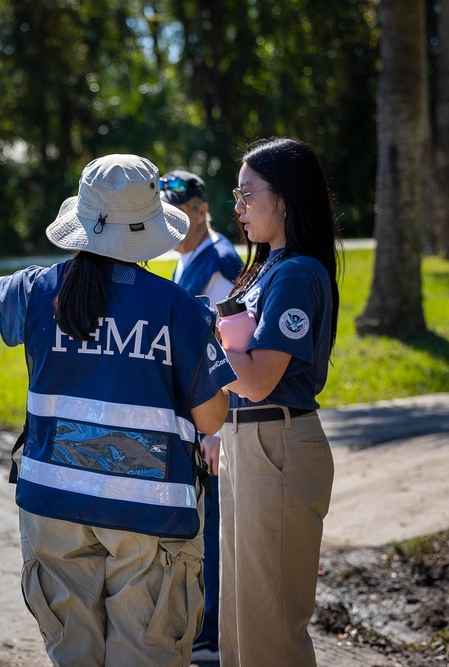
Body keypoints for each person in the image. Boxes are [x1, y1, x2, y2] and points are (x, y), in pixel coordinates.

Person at [0, 154, 237, 666]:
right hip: (149, 512)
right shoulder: (179, 310)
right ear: (150, 226)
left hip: (51, 505)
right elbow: (211, 419)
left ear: (84, 221)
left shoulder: (40, 290)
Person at [216, 138, 342, 667]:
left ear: (286, 196)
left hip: (277, 442)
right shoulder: (270, 266)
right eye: (236, 196)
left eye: (248, 194)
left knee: (270, 631)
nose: (239, 208)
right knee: (239, 620)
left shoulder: (295, 273)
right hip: (248, 441)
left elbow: (259, 380)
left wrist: (196, 337)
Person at [159, 169, 243, 665]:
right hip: (195, 418)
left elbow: (229, 348)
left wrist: (218, 430)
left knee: (213, 529)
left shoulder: (219, 263)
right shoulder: (188, 256)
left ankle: (210, 634)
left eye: (181, 210)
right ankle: (204, 628)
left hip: (212, 420)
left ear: (200, 208)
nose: (173, 220)